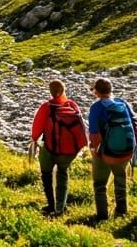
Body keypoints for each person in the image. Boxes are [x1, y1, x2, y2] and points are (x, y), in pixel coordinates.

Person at [87, 77, 137, 224]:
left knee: (100, 184)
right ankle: (121, 212)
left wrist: (94, 149)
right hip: (125, 151)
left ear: (96, 91)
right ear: (111, 89)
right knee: (120, 180)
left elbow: (94, 134)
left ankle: (102, 217)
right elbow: (134, 124)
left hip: (105, 152)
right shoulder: (122, 103)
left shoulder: (96, 107)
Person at [29, 79, 88, 217]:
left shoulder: (46, 107)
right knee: (62, 174)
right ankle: (60, 207)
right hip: (70, 151)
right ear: (63, 90)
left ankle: (51, 204)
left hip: (51, 148)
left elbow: (36, 132)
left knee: (46, 174)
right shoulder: (72, 105)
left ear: (50, 91)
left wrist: (35, 140)